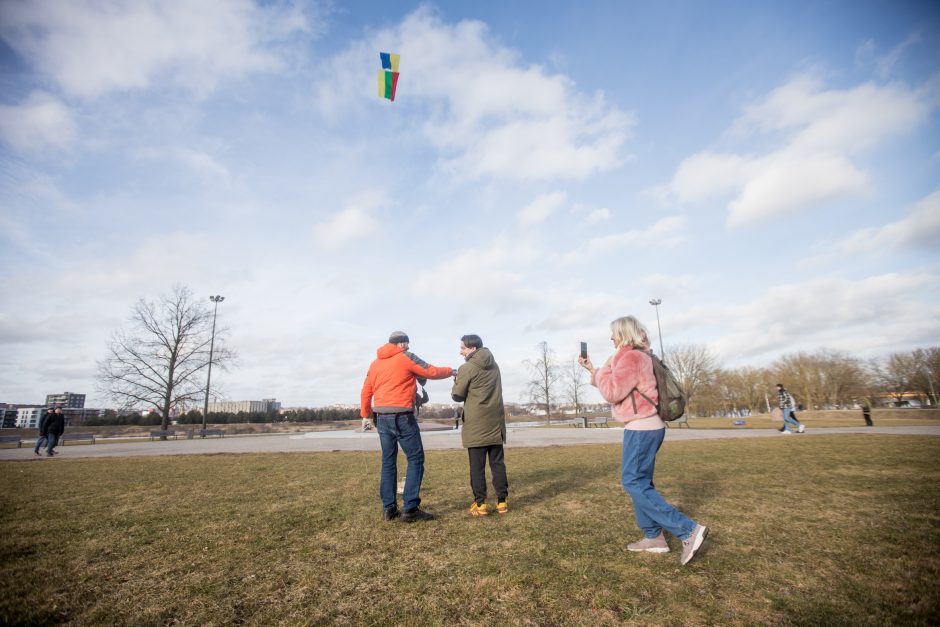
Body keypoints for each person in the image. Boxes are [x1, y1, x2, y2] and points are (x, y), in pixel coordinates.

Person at [579, 315, 708, 566]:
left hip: (642, 428)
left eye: (614, 333)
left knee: (633, 482)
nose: (611, 337)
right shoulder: (638, 355)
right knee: (640, 483)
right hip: (645, 427)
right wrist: (594, 370)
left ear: (624, 334)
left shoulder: (631, 357)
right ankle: (653, 537)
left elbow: (613, 392)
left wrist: (603, 370)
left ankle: (688, 531)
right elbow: (619, 387)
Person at [360, 331, 455, 523]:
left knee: (388, 461)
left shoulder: (375, 363)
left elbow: (366, 390)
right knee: (415, 458)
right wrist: (451, 371)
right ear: (402, 344)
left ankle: (389, 508)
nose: (409, 348)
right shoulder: (405, 357)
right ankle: (410, 508)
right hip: (402, 416)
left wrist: (365, 415)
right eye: (408, 344)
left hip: (382, 417)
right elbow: (430, 371)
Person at [451, 334, 509, 516]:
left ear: (473, 348)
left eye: (463, 348)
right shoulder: (495, 365)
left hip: (476, 424)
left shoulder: (467, 368)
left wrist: (456, 381)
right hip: (495, 422)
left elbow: (457, 396)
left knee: (477, 467)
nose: (460, 351)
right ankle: (502, 503)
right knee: (498, 464)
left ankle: (481, 504)